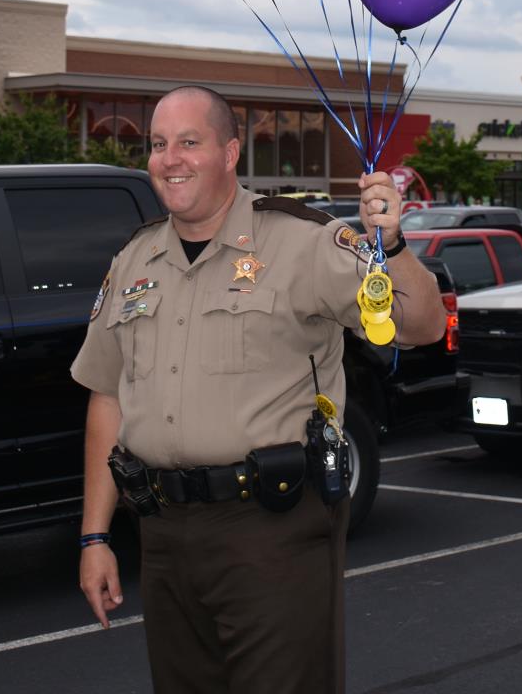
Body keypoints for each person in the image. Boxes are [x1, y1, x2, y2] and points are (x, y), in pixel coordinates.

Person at [72, 85, 446, 693]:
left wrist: (394, 244)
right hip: (163, 532)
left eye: (189, 142)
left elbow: (422, 325)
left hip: (271, 529)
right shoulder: (134, 260)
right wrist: (94, 536)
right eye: (158, 144)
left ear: (229, 153)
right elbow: (107, 396)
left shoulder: (300, 242)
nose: (170, 158)